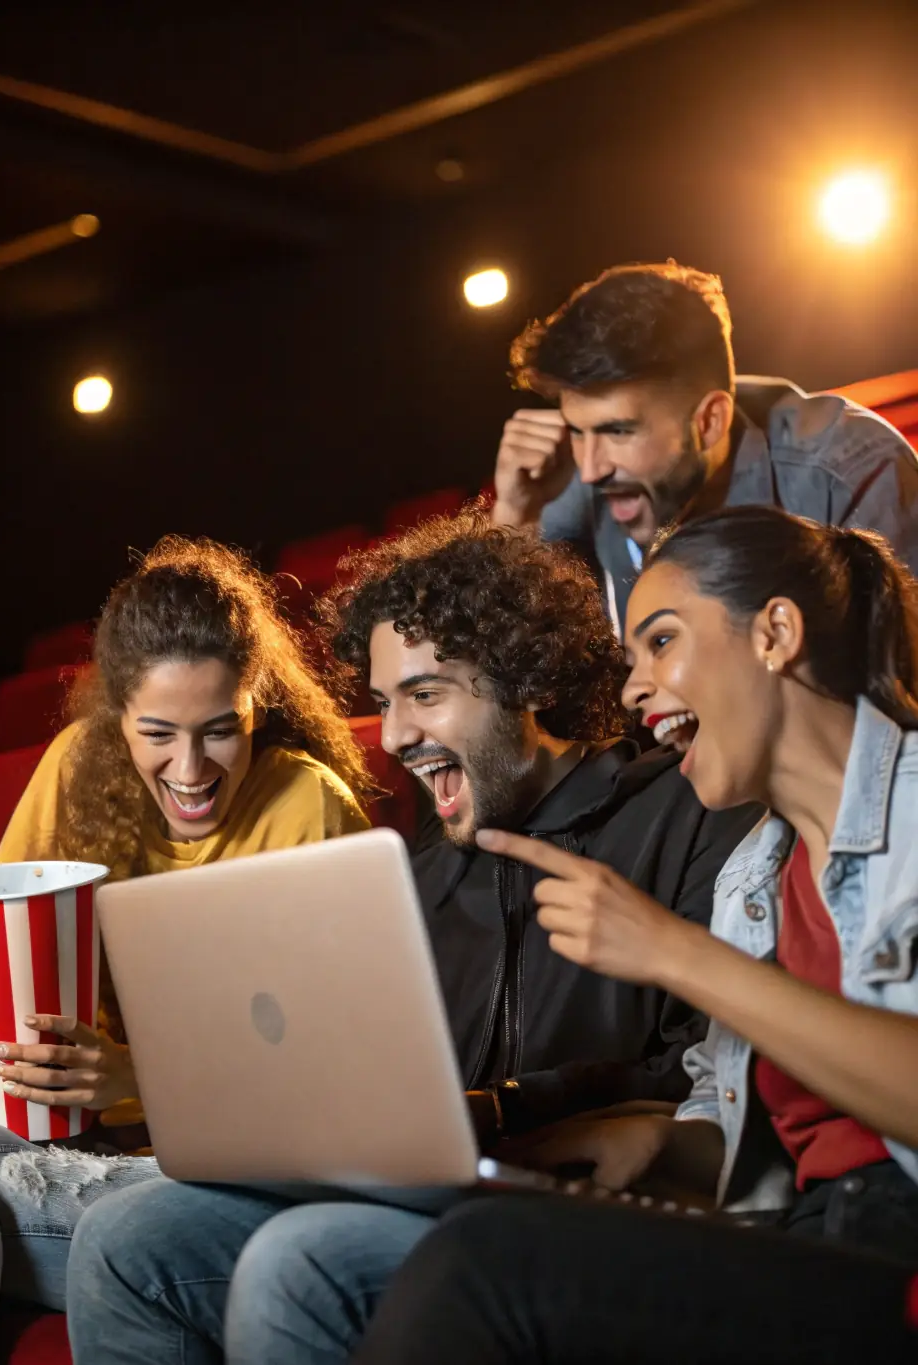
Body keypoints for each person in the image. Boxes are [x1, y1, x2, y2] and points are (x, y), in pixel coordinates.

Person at [63, 511, 758, 1365]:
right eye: (386, 702)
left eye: (426, 695)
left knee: (295, 1256)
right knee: (127, 1236)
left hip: (577, 1197)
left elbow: (710, 1067)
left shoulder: (681, 812)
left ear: (526, 680)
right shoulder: (426, 869)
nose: (392, 736)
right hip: (438, 1186)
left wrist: (509, 1105)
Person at [342, 506, 918, 1365]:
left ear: (776, 633)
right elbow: (769, 1145)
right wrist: (650, 1138)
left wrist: (673, 953)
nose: (630, 686)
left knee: (479, 1269)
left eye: (661, 641)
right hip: (808, 1241)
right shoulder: (752, 877)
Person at [0, 535, 370, 1365]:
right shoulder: (79, 765)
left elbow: (339, 1077)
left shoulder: (308, 804)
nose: (189, 768)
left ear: (257, 697)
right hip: (78, 1154)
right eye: (158, 732)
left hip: (228, 1180)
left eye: (220, 730)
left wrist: (140, 1076)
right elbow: (5, 955)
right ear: (118, 714)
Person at [491, 260, 918, 633]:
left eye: (618, 432)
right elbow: (499, 661)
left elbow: (902, 689)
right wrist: (515, 514)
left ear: (710, 422)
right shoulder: (588, 476)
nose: (590, 469)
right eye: (578, 431)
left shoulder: (847, 470)